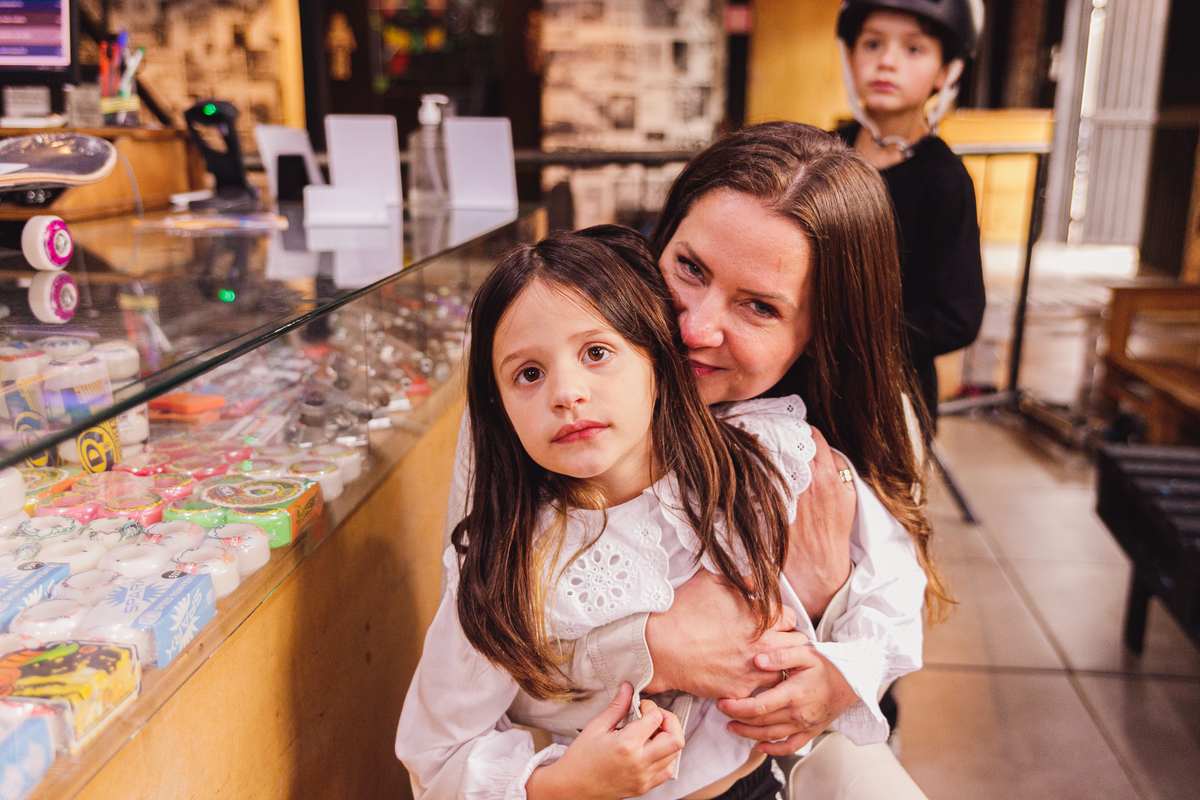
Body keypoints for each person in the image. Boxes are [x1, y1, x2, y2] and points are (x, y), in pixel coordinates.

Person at [396, 227, 928, 800]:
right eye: (529, 373)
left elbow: (895, 580)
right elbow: (437, 753)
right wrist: (562, 784)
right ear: (498, 409)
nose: (565, 393)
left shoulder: (766, 459)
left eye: (596, 353)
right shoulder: (509, 555)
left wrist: (838, 676)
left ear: (659, 357)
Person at [834, 0, 987, 422]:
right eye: (872, 44)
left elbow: (956, 315)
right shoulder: (816, 153)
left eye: (913, 49)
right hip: (798, 388)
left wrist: (846, 338)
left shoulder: (944, 180)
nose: (887, 62)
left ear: (946, 71)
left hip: (888, 403)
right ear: (849, 55)